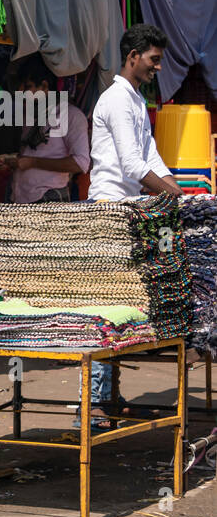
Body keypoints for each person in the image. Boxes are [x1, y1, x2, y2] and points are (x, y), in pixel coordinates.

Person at [83, 23, 182, 428]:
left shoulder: (136, 101)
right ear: (133, 56)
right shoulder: (117, 100)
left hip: (131, 211)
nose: (157, 67)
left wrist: (184, 196)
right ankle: (91, 406)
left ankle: (108, 397)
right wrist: (172, 195)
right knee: (105, 308)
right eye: (154, 60)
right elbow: (133, 166)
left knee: (124, 309)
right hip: (110, 211)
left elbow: (154, 160)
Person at [7, 58, 90, 204]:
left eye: (27, 86)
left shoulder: (71, 116)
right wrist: (16, 161)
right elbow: (31, 152)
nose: (21, 91)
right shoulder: (30, 113)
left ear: (44, 86)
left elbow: (81, 163)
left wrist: (31, 162)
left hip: (50, 199)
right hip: (22, 197)